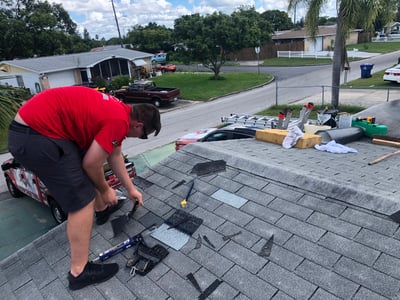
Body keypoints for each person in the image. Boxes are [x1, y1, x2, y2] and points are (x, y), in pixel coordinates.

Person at [7, 86, 161, 290]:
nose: (140, 138)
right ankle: (79, 272)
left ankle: (101, 209)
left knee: (83, 163)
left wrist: (131, 190)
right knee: (82, 201)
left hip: (36, 131)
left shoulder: (119, 111)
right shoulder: (119, 122)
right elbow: (92, 164)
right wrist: (106, 190)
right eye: (144, 136)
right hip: (37, 136)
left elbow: (114, 156)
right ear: (138, 125)